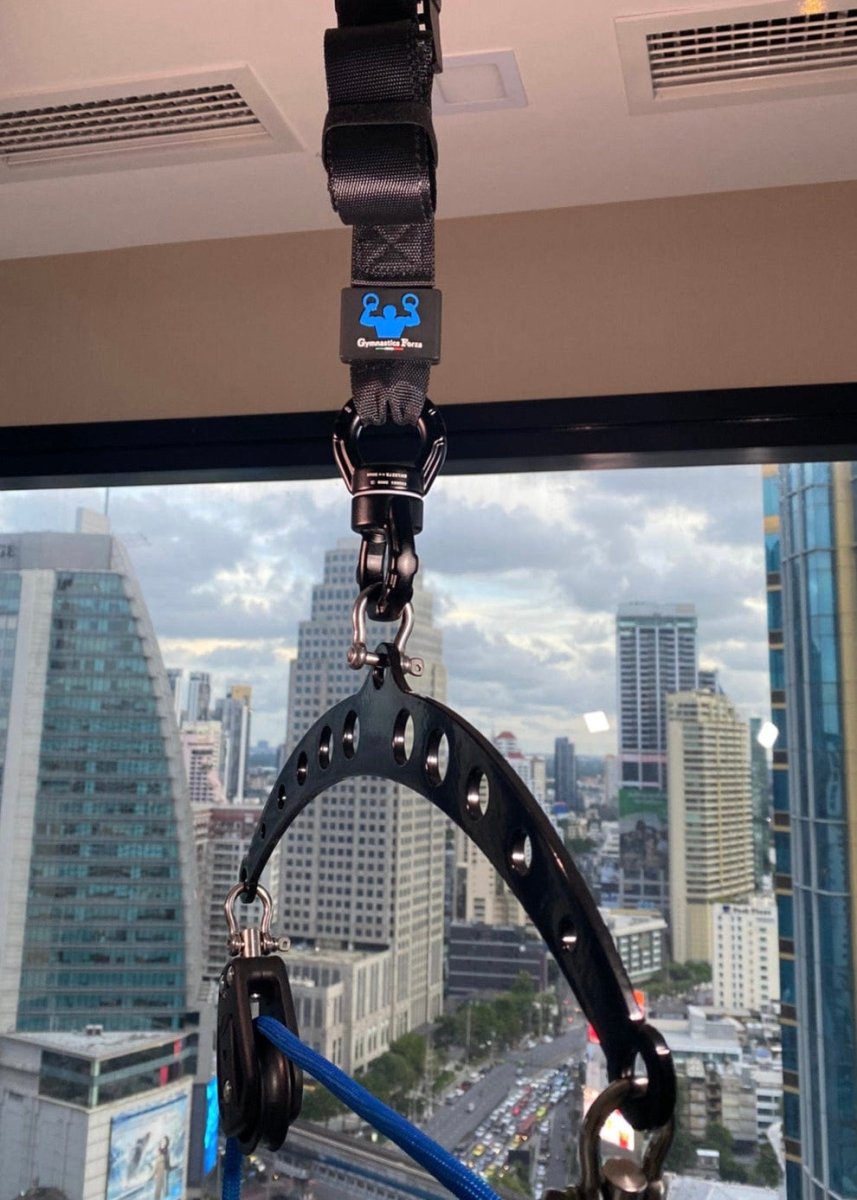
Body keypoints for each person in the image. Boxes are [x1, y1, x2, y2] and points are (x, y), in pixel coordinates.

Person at [152, 1135, 172, 1200]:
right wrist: (154, 1173)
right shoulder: (159, 1152)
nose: (163, 1143)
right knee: (158, 1190)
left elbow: (168, 1164)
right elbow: (156, 1164)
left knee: (164, 1190)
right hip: (159, 1172)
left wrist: (170, 1168)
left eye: (165, 1142)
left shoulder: (166, 1152)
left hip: (164, 1172)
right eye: (162, 1141)